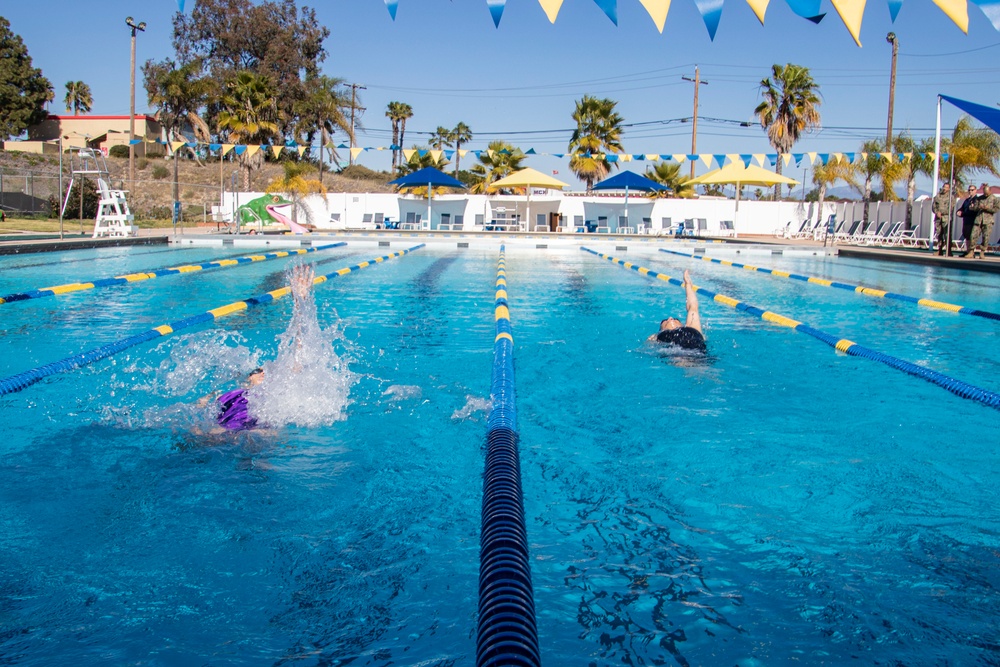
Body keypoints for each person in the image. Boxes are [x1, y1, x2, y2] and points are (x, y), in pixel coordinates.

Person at [211, 263, 316, 432]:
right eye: (257, 371)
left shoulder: (277, 390)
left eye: (265, 371)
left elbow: (300, 343)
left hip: (260, 427)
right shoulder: (229, 394)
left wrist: (300, 301)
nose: (263, 372)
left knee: (258, 436)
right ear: (247, 379)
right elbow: (200, 409)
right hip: (225, 426)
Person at [648, 269, 706, 353]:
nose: (670, 318)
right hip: (680, 359)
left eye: (676, 319)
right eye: (664, 321)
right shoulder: (658, 338)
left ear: (682, 325)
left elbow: (692, 307)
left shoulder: (691, 328)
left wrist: (688, 285)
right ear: (661, 329)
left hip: (700, 358)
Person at [965, 183, 999, 258]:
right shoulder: (979, 198)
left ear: (990, 191)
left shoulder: (994, 199)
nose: (985, 195)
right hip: (978, 220)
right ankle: (971, 251)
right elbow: (974, 208)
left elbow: (996, 209)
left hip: (988, 221)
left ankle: (982, 252)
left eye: (987, 193)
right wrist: (977, 207)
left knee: (986, 237)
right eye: (984, 193)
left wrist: (987, 208)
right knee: (973, 235)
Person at [956, 184, 980, 257]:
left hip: (972, 221)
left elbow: (973, 211)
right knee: (967, 236)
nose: (970, 191)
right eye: (969, 190)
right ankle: (968, 251)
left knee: (971, 237)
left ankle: (971, 252)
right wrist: (959, 211)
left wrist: (963, 213)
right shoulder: (967, 200)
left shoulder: (977, 200)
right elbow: (962, 208)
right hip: (966, 221)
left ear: (975, 191)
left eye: (972, 190)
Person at [931, 182, 954, 256]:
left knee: (947, 234)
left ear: (949, 188)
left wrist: (942, 212)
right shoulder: (938, 196)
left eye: (947, 187)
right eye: (944, 187)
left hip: (946, 218)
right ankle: (940, 249)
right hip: (938, 219)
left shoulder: (951, 197)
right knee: (939, 234)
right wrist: (937, 212)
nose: (945, 188)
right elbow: (934, 206)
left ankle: (948, 250)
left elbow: (951, 208)